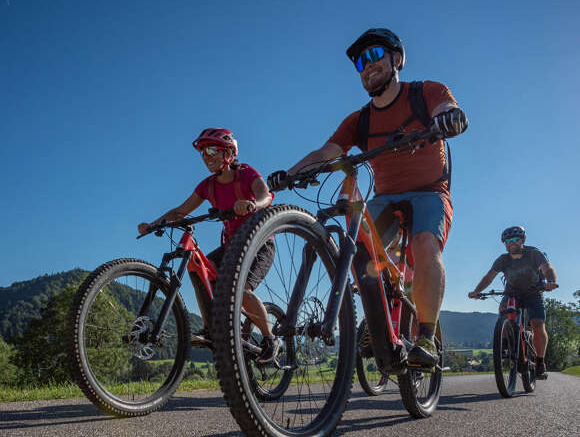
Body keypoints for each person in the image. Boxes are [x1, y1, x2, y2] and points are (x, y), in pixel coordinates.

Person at [269, 28, 468, 367]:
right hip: (386, 197)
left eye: (375, 55)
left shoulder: (426, 92)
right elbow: (328, 151)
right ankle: (377, 320)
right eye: (361, 62)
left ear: (397, 59)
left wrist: (449, 117)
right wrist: (289, 174)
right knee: (359, 250)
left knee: (424, 245)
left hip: (430, 192)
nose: (367, 66)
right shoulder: (359, 120)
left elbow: (446, 107)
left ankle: (426, 337)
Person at [138, 128, 281, 363]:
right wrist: (154, 224)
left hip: (260, 244)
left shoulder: (246, 174)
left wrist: (252, 205)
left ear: (229, 153)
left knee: (241, 289)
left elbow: (266, 195)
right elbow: (180, 212)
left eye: (212, 150)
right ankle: (210, 330)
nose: (207, 156)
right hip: (232, 246)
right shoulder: (208, 186)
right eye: (203, 152)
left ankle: (270, 339)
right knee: (198, 268)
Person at [468, 226, 558, 378]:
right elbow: (489, 276)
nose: (512, 243)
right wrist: (477, 291)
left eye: (515, 240)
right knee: (503, 314)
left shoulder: (534, 254)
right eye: (508, 241)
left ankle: (540, 361)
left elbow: (547, 268)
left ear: (522, 240)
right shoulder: (503, 260)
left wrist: (551, 281)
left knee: (537, 324)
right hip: (512, 293)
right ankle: (503, 347)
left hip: (533, 293)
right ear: (505, 244)